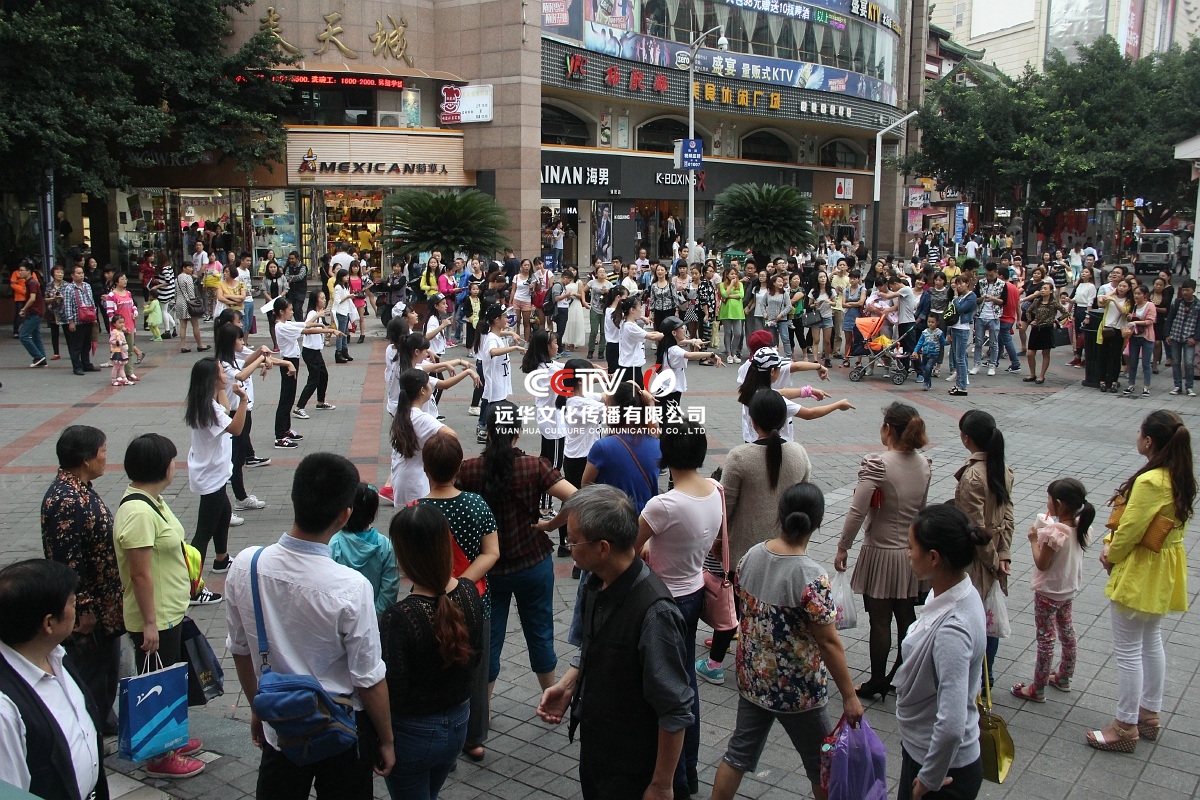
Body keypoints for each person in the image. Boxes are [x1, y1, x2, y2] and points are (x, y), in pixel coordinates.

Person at [224, 452, 395, 797]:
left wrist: (258, 706)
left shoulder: (246, 565)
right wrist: (387, 740)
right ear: (345, 514)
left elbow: (240, 650)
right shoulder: (351, 587)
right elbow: (368, 677)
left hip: (281, 723)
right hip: (342, 728)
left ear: (294, 497)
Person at [537, 485, 694, 800]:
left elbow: (675, 709)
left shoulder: (655, 613)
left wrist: (661, 784)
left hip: (634, 769)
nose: (568, 546)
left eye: (573, 540)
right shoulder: (596, 583)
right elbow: (597, 645)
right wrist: (568, 685)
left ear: (603, 548)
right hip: (600, 753)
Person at [710, 483, 864, 800]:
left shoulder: (751, 556)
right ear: (818, 523)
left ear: (779, 515)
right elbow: (829, 642)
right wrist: (849, 696)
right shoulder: (811, 577)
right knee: (822, 764)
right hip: (799, 690)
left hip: (754, 679)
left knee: (737, 755)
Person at [1088, 411, 1192, 752]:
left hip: (1142, 567)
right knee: (1151, 640)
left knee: (1129, 650)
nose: (1136, 436)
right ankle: (1149, 713)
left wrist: (1111, 553)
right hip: (1164, 565)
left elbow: (1130, 529)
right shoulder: (1180, 474)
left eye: (1139, 432)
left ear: (1149, 441)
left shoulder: (1150, 481)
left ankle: (1125, 725)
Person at [458, 402, 575, 697]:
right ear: (518, 432)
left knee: (489, 638)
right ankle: (550, 697)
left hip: (488, 570)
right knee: (540, 632)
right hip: (533, 562)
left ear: (488, 432)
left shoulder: (470, 470)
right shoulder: (535, 466)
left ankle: (484, 710)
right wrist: (551, 525)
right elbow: (577, 498)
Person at [697, 390, 813, 685]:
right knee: (774, 608)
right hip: (785, 548)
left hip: (742, 552)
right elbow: (804, 499)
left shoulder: (740, 456)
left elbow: (725, 508)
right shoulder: (799, 454)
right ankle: (769, 663)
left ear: (753, 419)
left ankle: (714, 664)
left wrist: (717, 544)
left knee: (732, 606)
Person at [113, 432, 209, 777]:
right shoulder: (138, 512)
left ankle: (172, 739)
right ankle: (160, 756)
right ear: (161, 466)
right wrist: (150, 624)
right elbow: (140, 575)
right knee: (156, 685)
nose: (175, 465)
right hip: (154, 617)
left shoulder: (153, 501)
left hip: (169, 611)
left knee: (168, 680)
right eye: (171, 459)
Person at [636, 421, 721, 795]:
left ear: (666, 453)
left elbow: (630, 548)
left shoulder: (663, 504)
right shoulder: (715, 490)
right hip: (694, 593)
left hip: (662, 601)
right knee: (686, 682)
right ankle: (688, 768)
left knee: (665, 689)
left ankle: (673, 779)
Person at [378, 503, 484, 800]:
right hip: (459, 722)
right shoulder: (468, 592)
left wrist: (383, 739)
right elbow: (476, 658)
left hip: (414, 733)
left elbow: (394, 690)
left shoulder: (400, 616)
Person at [834, 403, 932, 699]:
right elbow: (922, 509)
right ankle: (901, 676)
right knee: (906, 618)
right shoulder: (924, 464)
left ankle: (877, 680)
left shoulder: (878, 464)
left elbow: (857, 511)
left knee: (880, 621)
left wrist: (843, 546)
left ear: (887, 428)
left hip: (880, 550)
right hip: (910, 552)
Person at [895, 504, 988, 800]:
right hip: (927, 756)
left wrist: (929, 779)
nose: (908, 554)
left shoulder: (952, 630)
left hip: (942, 772)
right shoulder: (960, 591)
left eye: (912, 547)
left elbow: (951, 724)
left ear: (933, 557)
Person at [418, 431, 499, 761]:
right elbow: (492, 552)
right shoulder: (476, 504)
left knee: (435, 667)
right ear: (459, 467)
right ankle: (473, 738)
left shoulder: (417, 510)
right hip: (476, 601)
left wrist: (443, 585)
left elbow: (409, 565)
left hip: (430, 603)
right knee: (476, 669)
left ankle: (438, 734)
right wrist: (462, 584)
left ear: (425, 468)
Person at [0, 559, 110, 799]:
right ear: (48, 623)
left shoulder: (55, 655)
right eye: (73, 603)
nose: (77, 607)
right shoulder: (5, 710)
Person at [40, 425, 123, 738]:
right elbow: (67, 560)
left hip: (103, 606)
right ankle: (89, 733)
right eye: (103, 452)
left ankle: (104, 721)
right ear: (86, 459)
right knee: (90, 675)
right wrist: (83, 608)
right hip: (89, 613)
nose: (105, 458)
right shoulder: (66, 499)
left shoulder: (80, 488)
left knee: (106, 672)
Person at [1009, 478, 1093, 703]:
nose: (1047, 502)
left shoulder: (1054, 532)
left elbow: (1042, 563)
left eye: (1049, 498)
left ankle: (1038, 688)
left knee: (1046, 639)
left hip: (1048, 592)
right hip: (1068, 590)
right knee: (1067, 632)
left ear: (1059, 503)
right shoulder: (1081, 527)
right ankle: (1064, 676)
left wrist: (1033, 540)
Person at [954, 410, 1014, 685]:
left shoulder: (973, 477)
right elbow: (1009, 514)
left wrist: (992, 561)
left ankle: (975, 681)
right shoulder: (1002, 468)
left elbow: (976, 529)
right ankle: (986, 678)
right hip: (996, 553)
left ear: (966, 438)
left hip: (977, 561)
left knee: (975, 620)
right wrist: (1004, 555)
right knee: (989, 618)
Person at [185, 358, 248, 570]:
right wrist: (244, 400)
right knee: (204, 532)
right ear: (212, 379)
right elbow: (236, 429)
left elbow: (226, 409)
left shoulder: (204, 403)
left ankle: (222, 559)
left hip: (212, 472)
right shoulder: (209, 410)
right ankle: (192, 582)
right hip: (210, 475)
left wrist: (222, 390)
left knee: (224, 513)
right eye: (221, 373)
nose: (225, 376)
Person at [330, 483, 400, 616]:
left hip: (342, 616)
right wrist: (375, 616)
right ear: (373, 513)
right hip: (374, 618)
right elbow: (390, 588)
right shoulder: (384, 545)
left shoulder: (334, 543)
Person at [389, 368, 449, 506]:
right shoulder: (421, 418)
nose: (431, 387)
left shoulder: (403, 412)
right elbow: (451, 435)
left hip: (402, 476)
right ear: (422, 390)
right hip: (416, 482)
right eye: (429, 384)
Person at [294, 288, 344, 418]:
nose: (324, 300)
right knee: (313, 380)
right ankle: (299, 407)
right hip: (310, 351)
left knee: (324, 375)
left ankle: (321, 402)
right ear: (315, 300)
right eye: (322, 298)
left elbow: (317, 328)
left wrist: (324, 328)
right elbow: (306, 326)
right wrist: (320, 320)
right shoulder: (312, 313)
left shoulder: (318, 313)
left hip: (316, 351)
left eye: (324, 298)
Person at [61, 263, 99, 375]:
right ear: (72, 275)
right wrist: (71, 321)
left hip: (88, 319)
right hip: (77, 321)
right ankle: (77, 366)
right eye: (78, 273)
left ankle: (86, 364)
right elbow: (67, 305)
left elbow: (92, 301)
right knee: (76, 345)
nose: (81, 275)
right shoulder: (69, 288)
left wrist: (94, 316)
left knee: (87, 344)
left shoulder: (87, 286)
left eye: (82, 273)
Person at [1164, 279, 1198, 396]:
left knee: (1189, 363)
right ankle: (1177, 386)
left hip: (1189, 337)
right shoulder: (1177, 302)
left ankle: (1189, 386)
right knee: (1176, 362)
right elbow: (1170, 318)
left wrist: (1195, 338)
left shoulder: (1198, 305)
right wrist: (1167, 334)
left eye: (1187, 290)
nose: (1185, 292)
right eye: (1183, 290)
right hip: (1175, 335)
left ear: (1193, 290)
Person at [947, 275, 977, 396]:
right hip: (955, 328)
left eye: (961, 283)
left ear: (967, 283)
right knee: (957, 358)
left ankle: (963, 386)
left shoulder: (971, 297)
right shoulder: (960, 297)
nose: (958, 286)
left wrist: (955, 298)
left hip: (963, 329)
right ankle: (958, 384)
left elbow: (960, 309)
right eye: (957, 284)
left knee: (960, 359)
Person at [16, 261, 47, 367]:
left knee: (23, 335)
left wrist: (24, 309)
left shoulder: (31, 283)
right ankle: (42, 359)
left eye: (22, 270)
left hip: (35, 313)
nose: (20, 272)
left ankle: (38, 356)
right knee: (36, 336)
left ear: (28, 271)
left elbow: (32, 298)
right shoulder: (30, 282)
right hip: (35, 312)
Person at [717, 266, 745, 363]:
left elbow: (741, 295)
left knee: (738, 333)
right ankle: (729, 354)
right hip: (726, 311)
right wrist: (731, 285)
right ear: (727, 275)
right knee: (728, 333)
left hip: (737, 311)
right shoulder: (722, 285)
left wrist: (729, 296)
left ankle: (734, 353)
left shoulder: (740, 284)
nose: (734, 276)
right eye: (732, 274)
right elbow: (724, 294)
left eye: (735, 274)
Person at [912, 313, 946, 390]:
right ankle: (928, 383)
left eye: (932, 322)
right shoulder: (925, 332)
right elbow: (920, 343)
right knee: (925, 369)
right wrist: (915, 351)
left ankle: (925, 383)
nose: (930, 324)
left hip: (934, 354)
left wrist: (948, 341)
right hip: (925, 353)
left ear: (937, 323)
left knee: (928, 367)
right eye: (929, 322)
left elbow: (943, 342)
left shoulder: (939, 333)